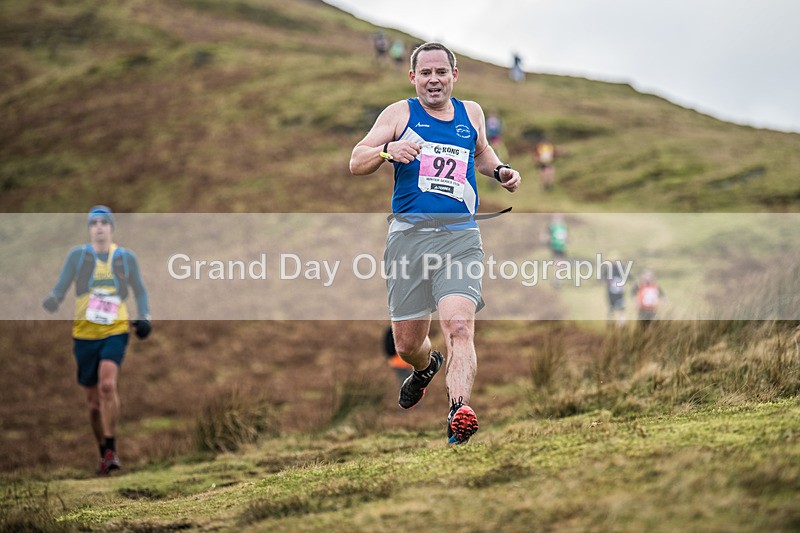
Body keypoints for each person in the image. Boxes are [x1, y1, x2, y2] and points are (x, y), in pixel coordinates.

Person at [349, 42, 521, 444]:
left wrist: (500, 171)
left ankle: (458, 412)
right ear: (413, 78)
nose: (433, 80)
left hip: (461, 237)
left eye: (441, 72)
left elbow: (480, 152)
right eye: (425, 73)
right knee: (407, 344)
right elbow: (356, 161)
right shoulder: (399, 113)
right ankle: (425, 368)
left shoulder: (471, 113)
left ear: (454, 75)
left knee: (459, 326)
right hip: (409, 240)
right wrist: (387, 151)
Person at [42, 206, 152, 475]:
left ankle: (112, 448)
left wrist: (145, 317)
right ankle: (104, 452)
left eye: (104, 222)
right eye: (94, 223)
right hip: (84, 334)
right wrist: (54, 299)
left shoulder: (125, 258)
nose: (99, 227)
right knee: (92, 404)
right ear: (89, 228)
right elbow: (62, 285)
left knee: (106, 386)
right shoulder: (78, 257)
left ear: (111, 227)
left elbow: (139, 290)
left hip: (115, 329)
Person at [606, 260, 627, 327]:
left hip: (619, 295)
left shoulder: (622, 271)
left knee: (621, 309)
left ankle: (621, 324)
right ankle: (611, 323)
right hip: (612, 295)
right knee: (611, 309)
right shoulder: (609, 272)